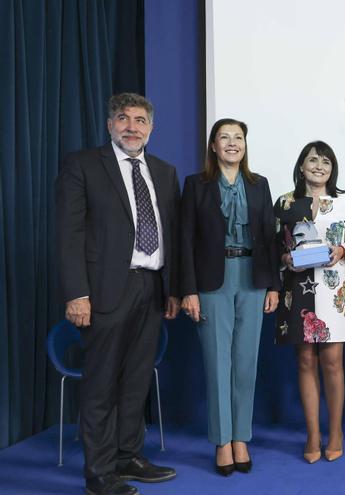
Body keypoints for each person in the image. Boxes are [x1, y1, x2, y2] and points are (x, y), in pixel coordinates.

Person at [56, 93, 180, 495]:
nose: (132, 126)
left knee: (136, 379)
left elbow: (172, 235)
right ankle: (99, 473)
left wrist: (173, 288)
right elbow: (69, 234)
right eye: (123, 118)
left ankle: (129, 457)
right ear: (110, 124)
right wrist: (77, 293)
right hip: (105, 289)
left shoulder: (164, 171)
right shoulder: (83, 165)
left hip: (152, 286)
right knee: (101, 383)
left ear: (151, 128)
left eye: (140, 120)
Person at [179, 118, 279, 476]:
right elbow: (185, 240)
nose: (233, 143)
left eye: (238, 138)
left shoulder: (259, 185)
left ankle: (242, 437)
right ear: (213, 146)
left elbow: (269, 237)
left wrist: (274, 286)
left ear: (245, 146)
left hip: (252, 279)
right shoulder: (196, 185)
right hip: (211, 281)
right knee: (217, 363)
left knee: (245, 364)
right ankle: (222, 441)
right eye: (225, 137)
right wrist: (187, 289)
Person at [274, 141, 345, 464]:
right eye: (312, 160)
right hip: (297, 286)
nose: (319, 166)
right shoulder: (285, 202)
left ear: (332, 168)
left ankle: (335, 431)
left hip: (334, 286)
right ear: (301, 166)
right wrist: (286, 256)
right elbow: (276, 245)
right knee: (305, 361)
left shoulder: (344, 201)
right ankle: (313, 434)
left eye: (325, 161)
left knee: (333, 362)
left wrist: (341, 251)